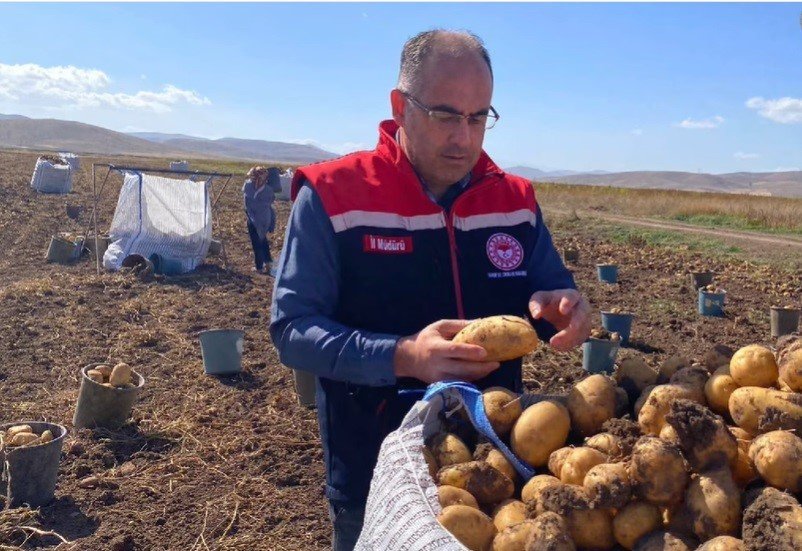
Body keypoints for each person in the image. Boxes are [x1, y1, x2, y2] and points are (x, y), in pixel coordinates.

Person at [270, 30, 592, 550]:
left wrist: (564, 302)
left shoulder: (514, 199)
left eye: (478, 116)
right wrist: (405, 357)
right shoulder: (334, 195)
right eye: (446, 115)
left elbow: (548, 284)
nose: (464, 138)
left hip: (497, 472)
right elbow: (292, 330)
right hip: (376, 476)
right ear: (400, 106)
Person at [243, 166, 282, 276]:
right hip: (264, 218)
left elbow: (248, 203)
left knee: (257, 243)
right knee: (262, 241)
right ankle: (268, 263)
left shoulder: (249, 186)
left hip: (256, 219)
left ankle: (259, 267)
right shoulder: (268, 190)